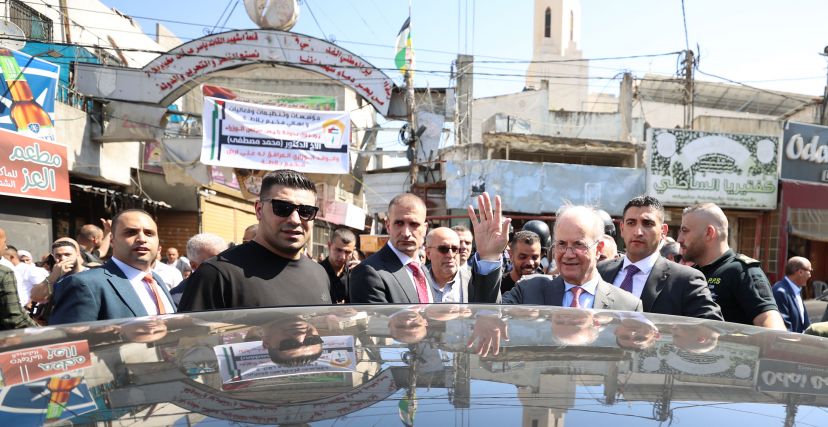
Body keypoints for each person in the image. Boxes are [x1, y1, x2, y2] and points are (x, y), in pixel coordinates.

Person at [179, 170, 331, 310]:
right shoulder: (216, 275)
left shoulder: (319, 273)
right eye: (282, 208)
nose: (295, 220)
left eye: (306, 211)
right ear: (259, 210)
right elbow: (192, 338)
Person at [350, 192, 508, 304]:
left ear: (425, 228)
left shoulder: (422, 271)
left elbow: (484, 313)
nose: (406, 233)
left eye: (414, 224)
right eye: (399, 223)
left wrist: (489, 257)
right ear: (388, 226)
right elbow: (378, 339)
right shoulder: (369, 272)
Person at [598, 196, 722, 320]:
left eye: (648, 224)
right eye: (631, 223)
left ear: (663, 231)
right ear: (622, 228)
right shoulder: (600, 272)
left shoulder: (685, 280)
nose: (638, 232)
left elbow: (711, 329)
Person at [501, 204, 642, 311]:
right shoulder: (528, 290)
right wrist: (489, 257)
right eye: (561, 244)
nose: (568, 254)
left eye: (578, 244)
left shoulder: (627, 306)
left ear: (598, 249)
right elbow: (490, 316)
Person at [50, 209, 175, 324]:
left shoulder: (156, 280)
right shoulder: (85, 284)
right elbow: (71, 343)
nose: (142, 239)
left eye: (149, 233)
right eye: (131, 232)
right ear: (112, 240)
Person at [678, 202, 785, 329]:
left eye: (685, 231)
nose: (679, 239)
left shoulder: (742, 271)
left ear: (709, 233)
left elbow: (769, 322)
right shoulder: (693, 273)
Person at [423, 227, 501, 303]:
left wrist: (491, 256)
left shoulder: (475, 282)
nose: (450, 255)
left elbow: (492, 309)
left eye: (455, 249)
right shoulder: (417, 281)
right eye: (443, 249)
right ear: (428, 253)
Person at [169, 233, 228, 304]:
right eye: (215, 261)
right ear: (194, 266)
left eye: (225, 259)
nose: (224, 265)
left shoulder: (237, 286)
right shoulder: (177, 299)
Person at [772, 256, 812, 333]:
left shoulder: (796, 289)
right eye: (809, 271)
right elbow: (785, 327)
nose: (810, 275)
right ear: (800, 272)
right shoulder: (780, 292)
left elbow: (804, 322)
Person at [320, 227, 359, 304]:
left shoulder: (354, 273)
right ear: (329, 245)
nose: (342, 257)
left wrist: (362, 274)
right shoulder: (317, 272)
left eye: (347, 252)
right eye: (338, 250)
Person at [500, 230, 542, 295]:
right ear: (511, 256)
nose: (530, 263)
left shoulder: (546, 286)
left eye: (534, 257)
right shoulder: (498, 287)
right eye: (523, 257)